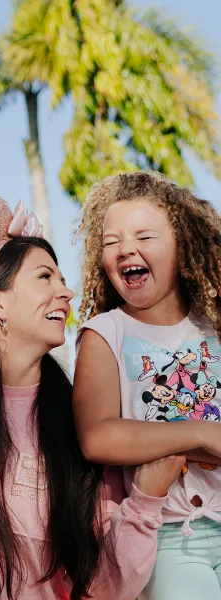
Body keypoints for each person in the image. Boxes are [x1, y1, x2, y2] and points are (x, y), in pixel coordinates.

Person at [0, 194, 184, 600]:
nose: (67, 292)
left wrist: (147, 499)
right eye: (45, 277)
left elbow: (105, 586)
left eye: (62, 278)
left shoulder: (79, 421)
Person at [73, 171, 221, 600]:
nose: (126, 250)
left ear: (183, 244)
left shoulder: (214, 328)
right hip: (170, 538)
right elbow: (98, 435)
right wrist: (202, 435)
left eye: (144, 236)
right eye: (111, 241)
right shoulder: (105, 334)